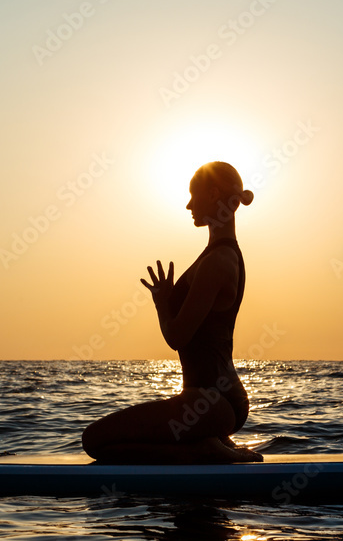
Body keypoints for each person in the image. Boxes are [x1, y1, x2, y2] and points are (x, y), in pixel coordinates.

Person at [81, 161, 262, 464]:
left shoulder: (218, 262)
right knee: (103, 444)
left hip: (212, 402)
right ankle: (208, 442)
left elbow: (177, 336)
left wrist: (162, 303)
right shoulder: (220, 255)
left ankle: (203, 449)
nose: (189, 205)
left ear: (214, 192)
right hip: (211, 402)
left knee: (95, 441)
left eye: (194, 195)